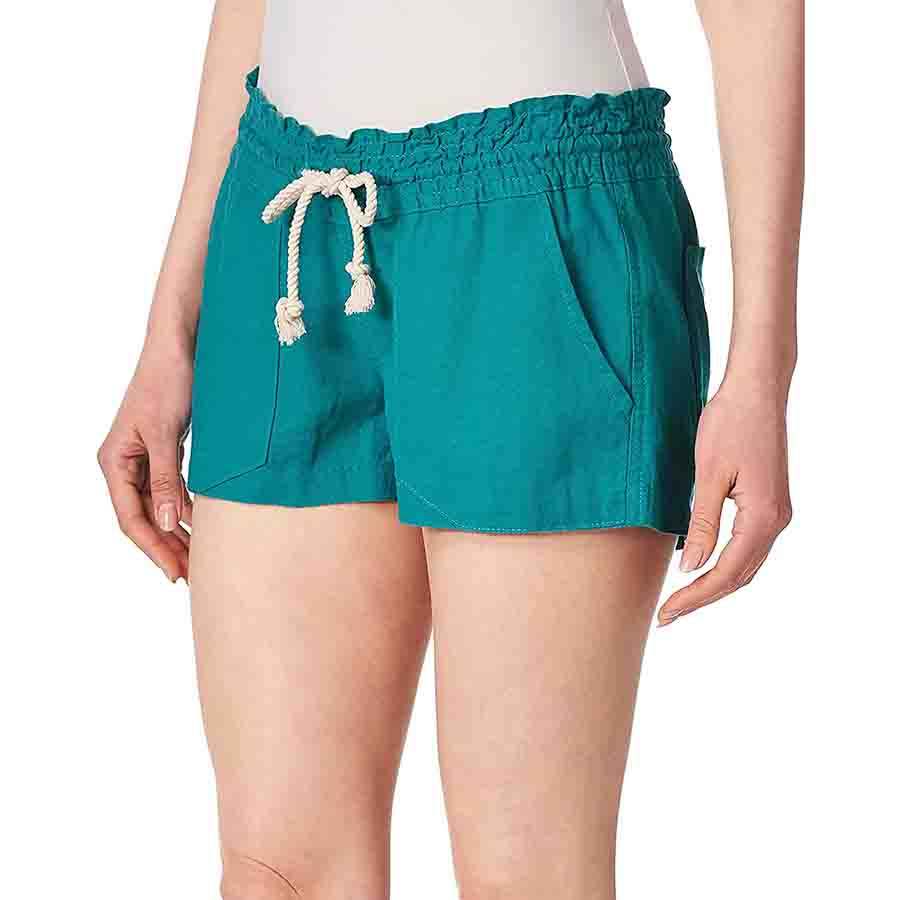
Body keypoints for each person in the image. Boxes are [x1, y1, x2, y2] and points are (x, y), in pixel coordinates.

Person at [98, 1, 801, 897]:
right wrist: (171, 327)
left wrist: (763, 370)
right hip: (285, 221)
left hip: (538, 214)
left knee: (525, 876)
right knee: (279, 871)